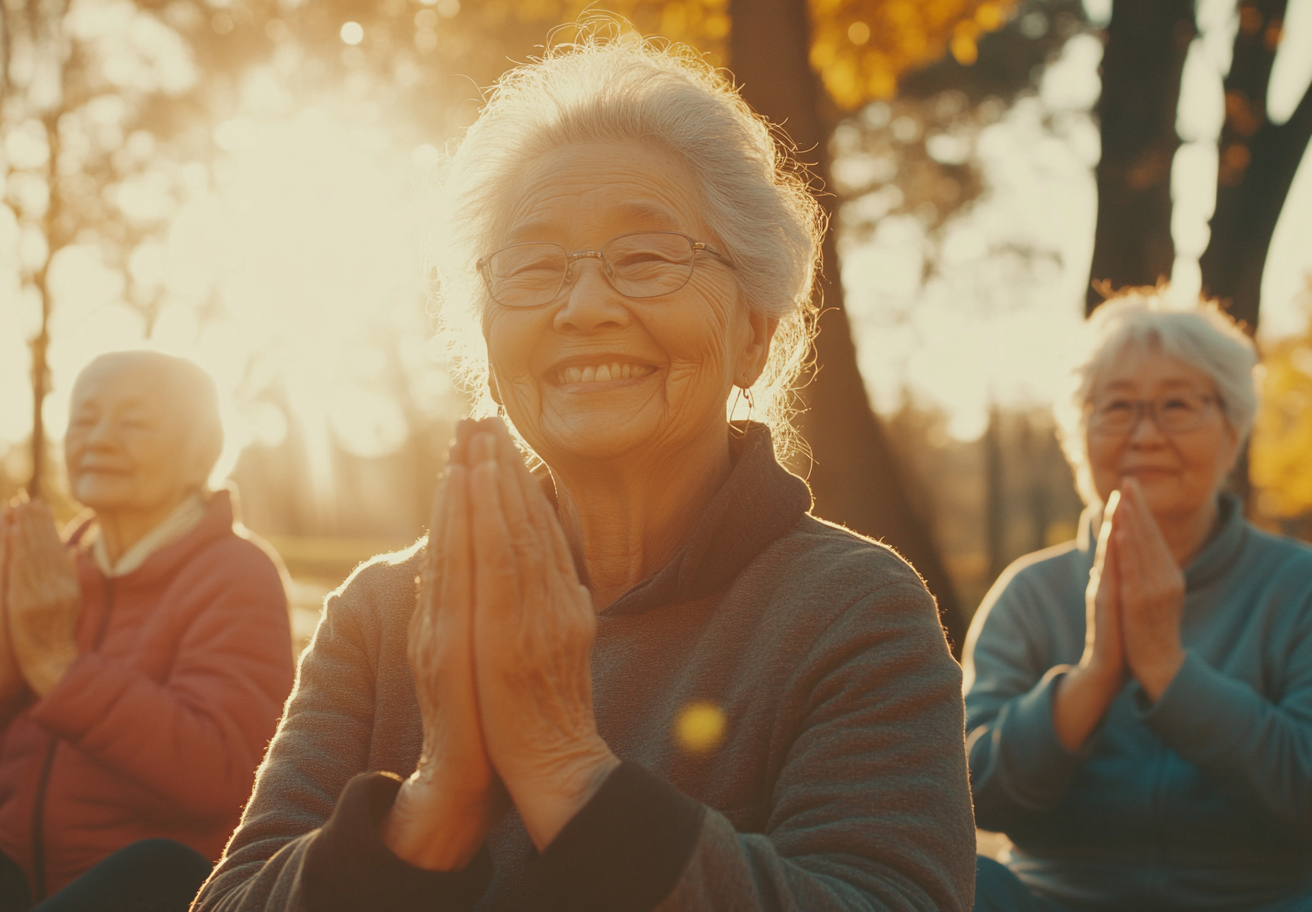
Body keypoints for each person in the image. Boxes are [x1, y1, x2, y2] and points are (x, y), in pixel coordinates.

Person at [195, 35, 975, 912]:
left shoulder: (854, 610)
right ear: (489, 351)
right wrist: (433, 807)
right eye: (533, 267)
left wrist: (568, 773)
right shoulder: (383, 615)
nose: (586, 307)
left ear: (755, 333)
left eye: (646, 257)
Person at [964, 287, 1312, 912]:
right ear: (1081, 436)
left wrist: (1169, 673)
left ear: (1232, 426)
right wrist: (1094, 678)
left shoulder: (1298, 587)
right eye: (1117, 407)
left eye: (1177, 405)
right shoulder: (1029, 594)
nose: (1145, 435)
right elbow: (968, 790)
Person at [0, 351, 295, 911]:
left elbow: (226, 775)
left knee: (162, 867)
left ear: (200, 455)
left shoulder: (234, 573)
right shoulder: (45, 567)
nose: (101, 439)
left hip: (149, 887)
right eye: (84, 419)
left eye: (133, 422)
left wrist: (58, 669)